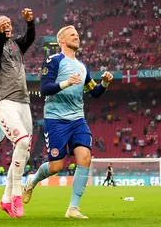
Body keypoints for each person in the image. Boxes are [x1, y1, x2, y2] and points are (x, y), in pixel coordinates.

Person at [22, 25, 113, 219]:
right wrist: (66, 83)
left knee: (85, 158)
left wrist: (104, 83)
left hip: (78, 119)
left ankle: (73, 208)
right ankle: (32, 180)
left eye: (78, 35)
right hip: (56, 119)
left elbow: (94, 92)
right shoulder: (54, 61)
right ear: (62, 40)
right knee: (56, 166)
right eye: (72, 35)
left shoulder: (82, 67)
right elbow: (45, 88)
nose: (77, 37)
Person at [0, 6, 37, 217]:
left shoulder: (16, 45)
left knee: (25, 151)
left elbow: (30, 38)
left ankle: (5, 200)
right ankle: (15, 196)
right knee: (22, 141)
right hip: (3, 101)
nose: (7, 26)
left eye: (9, 24)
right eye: (2, 24)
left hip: (23, 101)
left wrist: (30, 22)